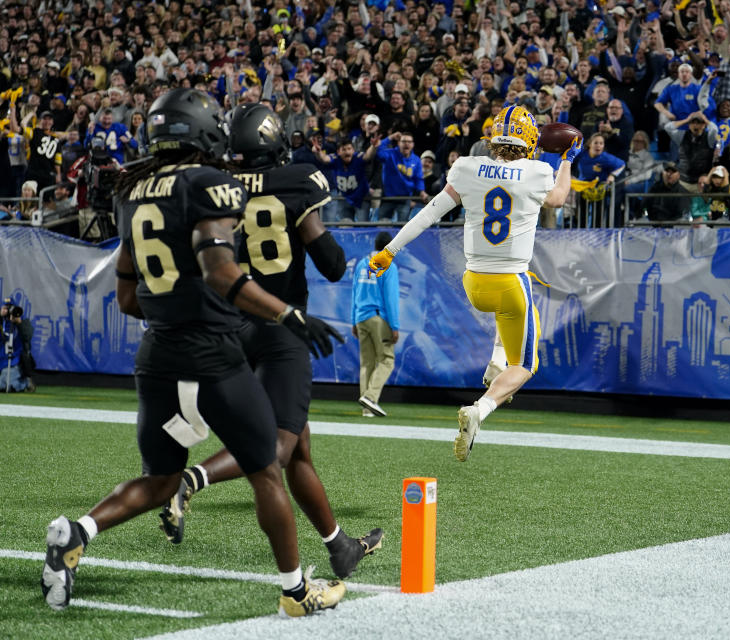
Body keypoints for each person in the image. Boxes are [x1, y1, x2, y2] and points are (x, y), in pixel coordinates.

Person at [41, 89, 346, 617]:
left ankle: (78, 532)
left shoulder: (131, 191)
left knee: (160, 480)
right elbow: (222, 272)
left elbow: (128, 297)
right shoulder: (210, 184)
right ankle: (297, 593)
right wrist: (287, 314)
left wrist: (173, 313)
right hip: (214, 357)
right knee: (266, 470)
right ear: (205, 130)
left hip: (156, 356)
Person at [157, 103, 382, 581]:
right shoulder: (299, 180)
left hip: (232, 326)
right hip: (282, 326)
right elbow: (332, 264)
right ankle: (192, 479)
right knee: (277, 447)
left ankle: (339, 546)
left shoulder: (217, 185)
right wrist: (310, 227)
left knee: (298, 449)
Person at [368, 105, 579, 462]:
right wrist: (568, 159)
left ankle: (497, 361)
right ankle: (480, 409)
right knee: (525, 365)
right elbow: (558, 199)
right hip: (511, 284)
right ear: (529, 142)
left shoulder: (466, 166)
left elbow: (430, 212)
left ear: (494, 137)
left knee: (508, 305)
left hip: (474, 283)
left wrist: (390, 250)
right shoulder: (539, 170)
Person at [352, 231, 400, 417]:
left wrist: (353, 320)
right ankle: (371, 397)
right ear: (390, 246)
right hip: (379, 318)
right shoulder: (389, 266)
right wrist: (394, 326)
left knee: (367, 363)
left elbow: (354, 293)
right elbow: (391, 298)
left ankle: (367, 408)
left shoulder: (361, 264)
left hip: (361, 317)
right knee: (387, 360)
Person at [0, 297, 35, 393]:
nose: (7, 311)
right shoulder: (1, 322)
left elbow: (28, 336)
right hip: (1, 359)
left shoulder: (22, 320)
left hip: (15, 360)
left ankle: (26, 383)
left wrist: (19, 323)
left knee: (5, 385)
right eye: (5, 307)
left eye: (10, 308)